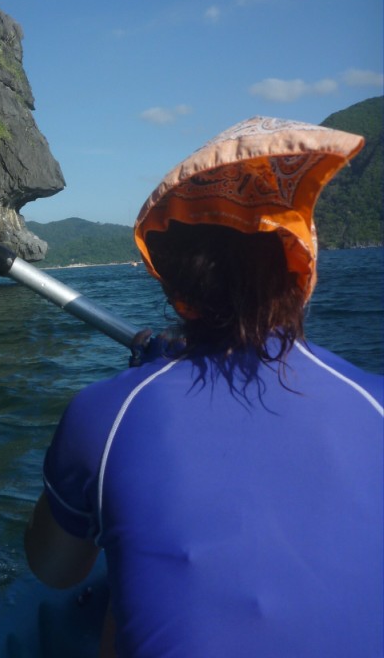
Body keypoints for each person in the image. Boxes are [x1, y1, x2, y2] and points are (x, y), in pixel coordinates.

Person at [24, 116, 383, 658]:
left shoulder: (104, 415)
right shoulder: (375, 404)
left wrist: (150, 374)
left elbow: (53, 569)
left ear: (175, 282)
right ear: (301, 263)